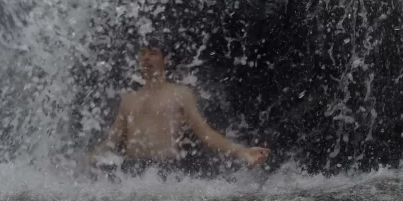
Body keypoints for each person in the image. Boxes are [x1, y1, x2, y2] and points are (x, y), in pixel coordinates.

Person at [87, 38, 270, 172]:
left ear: (165, 60)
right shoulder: (128, 99)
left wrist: (241, 152)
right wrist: (87, 160)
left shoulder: (180, 94)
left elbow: (205, 134)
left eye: (153, 53)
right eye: (143, 53)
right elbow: (113, 141)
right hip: (132, 171)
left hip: (165, 171)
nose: (147, 58)